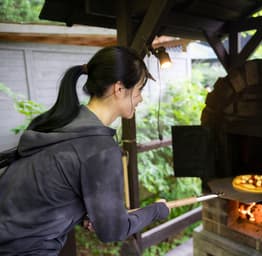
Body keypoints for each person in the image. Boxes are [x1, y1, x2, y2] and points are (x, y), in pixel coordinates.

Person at [0, 46, 170, 255]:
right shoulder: (100, 149)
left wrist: (85, 213)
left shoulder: (63, 126)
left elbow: (50, 192)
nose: (140, 99)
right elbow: (114, 231)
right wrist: (158, 210)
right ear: (119, 89)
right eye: (139, 89)